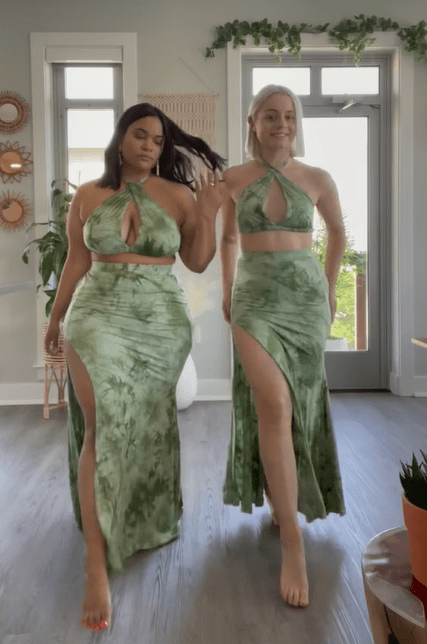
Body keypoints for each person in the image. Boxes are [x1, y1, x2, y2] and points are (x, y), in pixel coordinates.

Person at [44, 103, 225, 631]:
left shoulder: (180, 196)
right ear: (121, 138)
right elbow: (76, 261)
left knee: (145, 422)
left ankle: (141, 515)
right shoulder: (87, 195)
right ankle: (95, 564)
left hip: (160, 322)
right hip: (96, 315)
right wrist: (55, 317)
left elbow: (197, 261)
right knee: (101, 426)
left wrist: (208, 212)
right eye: (140, 135)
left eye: (157, 140)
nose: (149, 145)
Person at [220, 84, 346, 608]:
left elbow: (337, 234)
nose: (282, 123)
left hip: (304, 299)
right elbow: (228, 238)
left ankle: (282, 495)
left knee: (297, 404)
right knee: (272, 402)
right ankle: (293, 544)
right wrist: (227, 290)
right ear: (253, 122)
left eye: (289, 115)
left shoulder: (317, 178)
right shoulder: (232, 178)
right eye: (270, 115)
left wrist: (331, 290)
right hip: (254, 299)